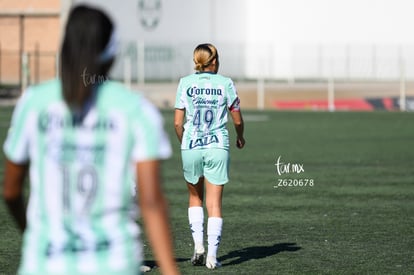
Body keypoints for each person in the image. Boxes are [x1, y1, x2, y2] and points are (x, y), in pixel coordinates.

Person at [2, 5, 180, 275]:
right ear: (111, 52)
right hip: (114, 263)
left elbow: (11, 191)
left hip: (45, 264)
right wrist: (170, 269)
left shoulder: (34, 102)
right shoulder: (135, 109)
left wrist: (35, 233)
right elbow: (151, 201)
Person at [174, 43, 245, 269]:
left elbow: (177, 123)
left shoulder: (185, 83)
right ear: (213, 61)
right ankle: (212, 257)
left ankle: (198, 247)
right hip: (217, 146)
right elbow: (238, 119)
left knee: (195, 198)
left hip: (191, 145)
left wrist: (185, 142)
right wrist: (240, 136)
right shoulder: (225, 83)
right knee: (214, 204)